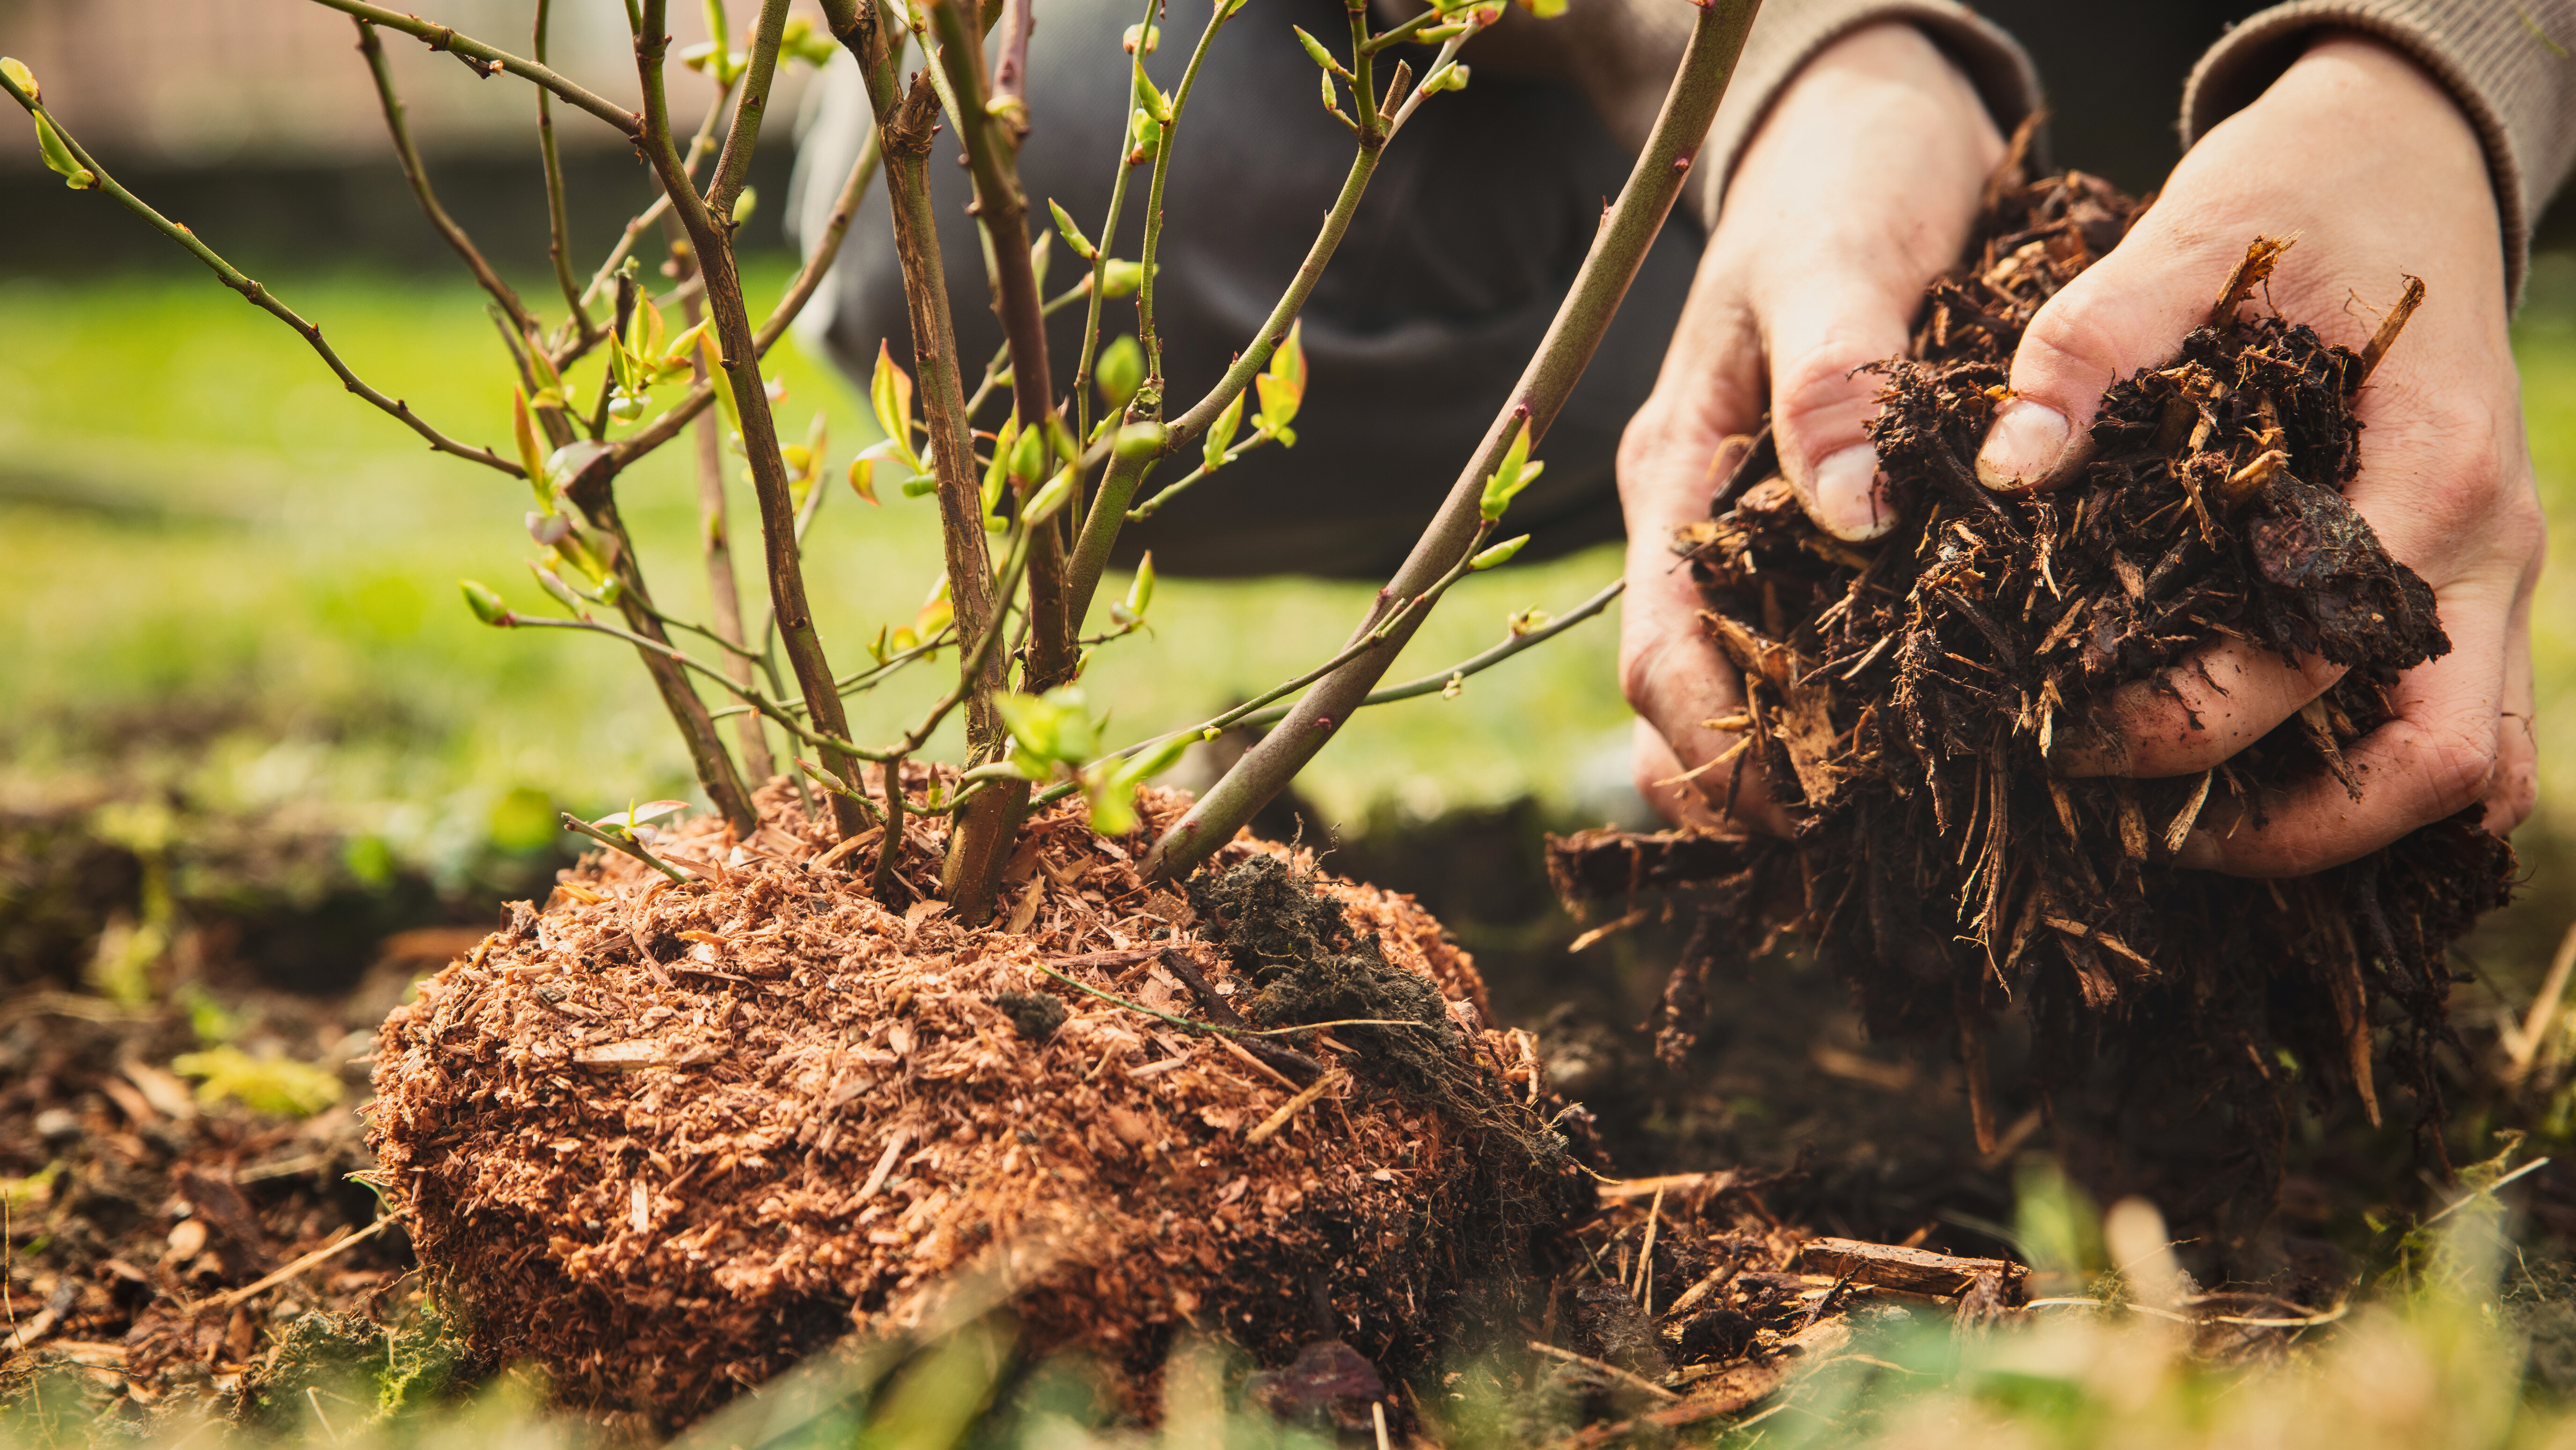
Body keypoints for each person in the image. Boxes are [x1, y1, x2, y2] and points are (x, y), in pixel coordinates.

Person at [792, 0, 2562, 872]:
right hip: (1686, 81)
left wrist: (2439, 76)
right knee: (970, 173)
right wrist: (1794, 58)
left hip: (2222, 38)